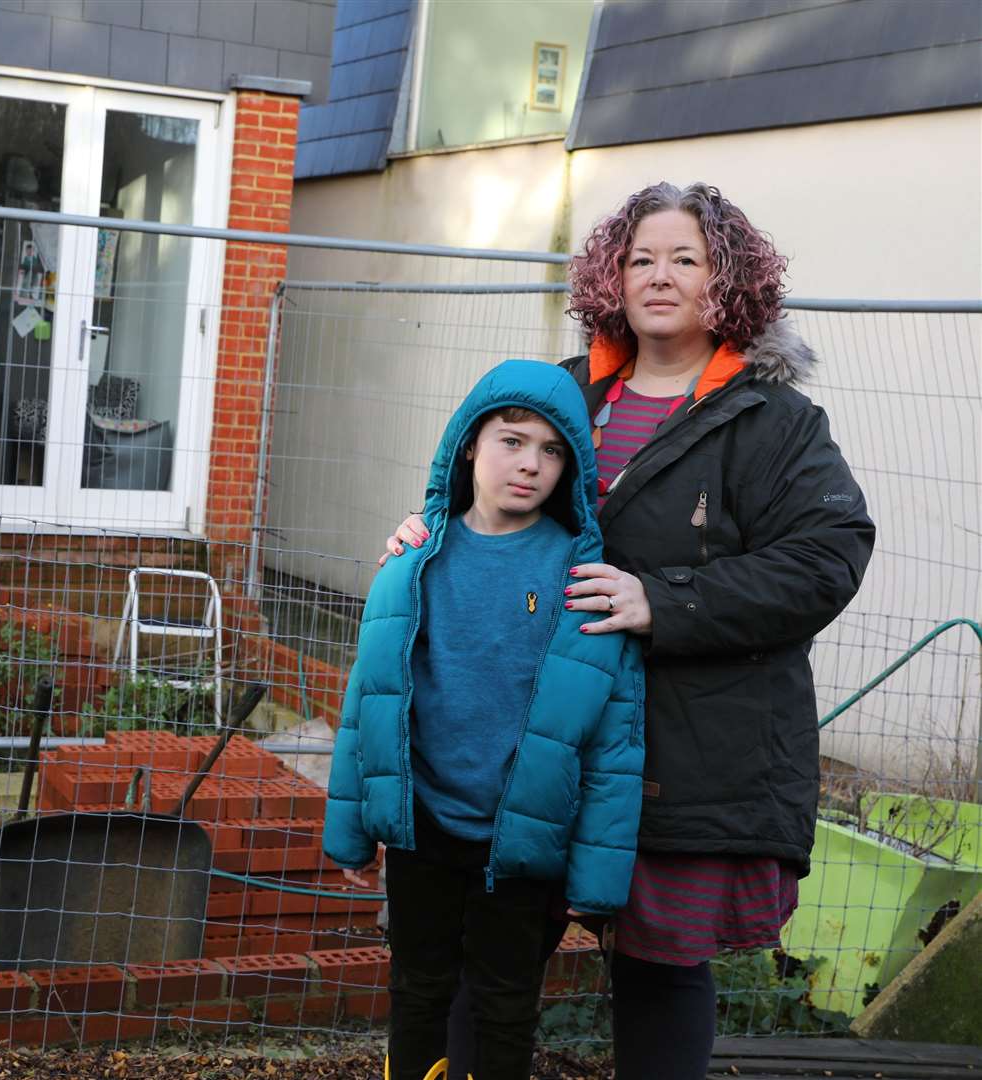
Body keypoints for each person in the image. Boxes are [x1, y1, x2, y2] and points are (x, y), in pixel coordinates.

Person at [379, 182, 875, 1079]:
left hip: (688, 749)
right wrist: (426, 535)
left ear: (728, 281)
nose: (659, 275)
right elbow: (472, 485)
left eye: (686, 258)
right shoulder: (564, 397)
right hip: (532, 741)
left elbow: (827, 558)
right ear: (613, 272)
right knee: (481, 969)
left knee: (657, 967)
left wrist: (665, 600)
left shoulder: (773, 420)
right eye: (641, 256)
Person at [325, 359, 647, 1080]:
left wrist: (595, 872)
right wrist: (352, 832)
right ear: (470, 443)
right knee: (416, 995)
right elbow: (366, 702)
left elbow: (613, 737)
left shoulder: (584, 579)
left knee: (506, 1009)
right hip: (424, 830)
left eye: (553, 450)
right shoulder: (412, 562)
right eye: (512, 440)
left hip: (521, 840)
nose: (530, 464)